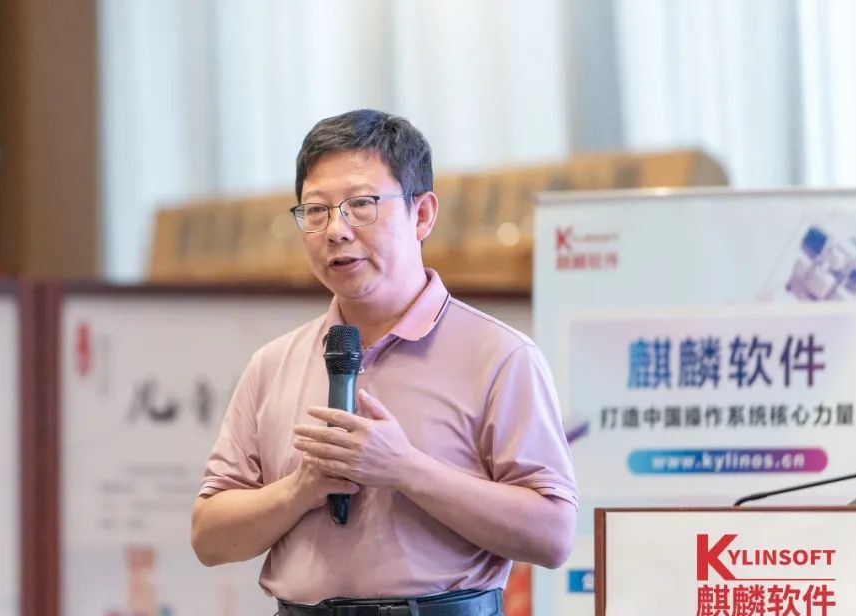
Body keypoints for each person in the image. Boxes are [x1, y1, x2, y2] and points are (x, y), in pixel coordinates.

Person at [191, 109, 578, 616]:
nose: (336, 230)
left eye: (361, 205)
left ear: (422, 215)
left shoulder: (501, 355)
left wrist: (404, 469)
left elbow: (552, 536)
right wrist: (300, 490)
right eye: (316, 211)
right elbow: (209, 537)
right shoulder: (272, 364)